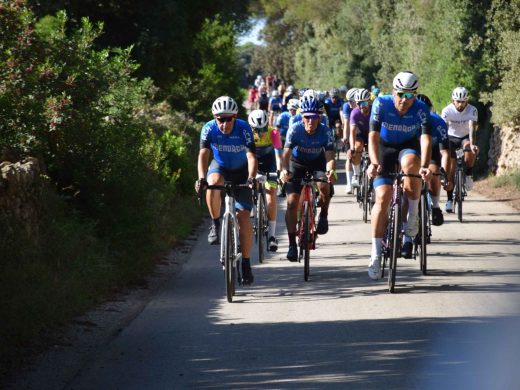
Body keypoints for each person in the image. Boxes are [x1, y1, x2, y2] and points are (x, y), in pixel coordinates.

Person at [367, 71, 432, 280]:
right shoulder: (381, 104)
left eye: (410, 95)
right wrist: (374, 163)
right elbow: (373, 136)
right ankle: (375, 254)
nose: (405, 100)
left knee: (411, 166)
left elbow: (425, 140)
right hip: (384, 149)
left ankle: (412, 216)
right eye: (401, 94)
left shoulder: (421, 109)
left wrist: (424, 166)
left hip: (407, 147)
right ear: (393, 91)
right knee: (383, 197)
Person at [195, 96, 258, 285]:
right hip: (220, 167)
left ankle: (246, 264)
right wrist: (201, 178)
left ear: (235, 117)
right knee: (212, 181)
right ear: (214, 118)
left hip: (242, 172)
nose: (223, 123)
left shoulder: (244, 128)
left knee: (243, 216)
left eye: (228, 118)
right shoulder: (208, 128)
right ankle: (215, 224)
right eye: (219, 119)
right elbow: (203, 155)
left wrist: (252, 178)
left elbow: (252, 157)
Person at [280, 96, 337, 262]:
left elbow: (330, 156)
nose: (310, 121)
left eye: (314, 117)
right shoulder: (295, 128)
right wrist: (284, 170)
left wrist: (330, 171)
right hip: (296, 163)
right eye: (307, 117)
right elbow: (286, 154)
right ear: (301, 116)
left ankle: (324, 215)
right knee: (291, 202)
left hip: (318, 162)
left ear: (319, 117)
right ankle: (291, 245)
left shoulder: (325, 131)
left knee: (325, 186)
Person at [441, 86, 479, 213]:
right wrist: (443, 146)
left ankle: (468, 173)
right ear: (453, 100)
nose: (460, 104)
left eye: (463, 101)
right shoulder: (447, 110)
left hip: (465, 137)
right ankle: (449, 200)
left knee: (469, 148)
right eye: (458, 101)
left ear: (466, 101)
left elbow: (472, 126)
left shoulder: (472, 110)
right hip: (451, 138)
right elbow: (443, 129)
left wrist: (473, 143)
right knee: (450, 170)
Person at [248, 110, 282, 251]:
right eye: (258, 129)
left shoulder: (273, 133)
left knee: (271, 195)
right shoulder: (247, 134)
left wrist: (279, 170)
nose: (261, 132)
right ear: (251, 128)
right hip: (253, 164)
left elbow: (278, 154)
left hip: (270, 164)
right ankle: (252, 206)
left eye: (263, 128)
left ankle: (272, 236)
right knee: (250, 184)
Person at [348, 88, 372, 188]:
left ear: (369, 102)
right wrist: (352, 148)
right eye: (358, 104)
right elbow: (352, 132)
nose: (361, 107)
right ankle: (356, 175)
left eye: (364, 104)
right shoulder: (355, 112)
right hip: (360, 135)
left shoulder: (375, 110)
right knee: (357, 147)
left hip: (372, 134)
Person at [342, 88, 358, 193]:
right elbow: (346, 124)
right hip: (352, 130)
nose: (349, 103)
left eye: (351, 101)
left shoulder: (364, 105)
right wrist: (345, 137)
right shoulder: (346, 106)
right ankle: (349, 183)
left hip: (362, 131)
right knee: (350, 157)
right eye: (348, 101)